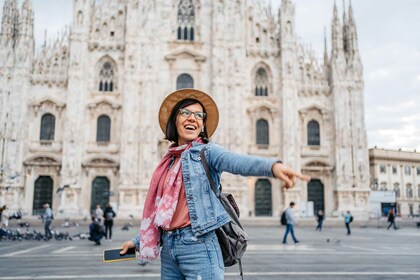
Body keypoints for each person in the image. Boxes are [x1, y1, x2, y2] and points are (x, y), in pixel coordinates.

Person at [120, 89, 310, 279]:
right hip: (170, 249)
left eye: (198, 115)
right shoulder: (168, 162)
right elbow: (165, 214)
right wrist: (137, 242)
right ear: (174, 120)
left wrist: (272, 167)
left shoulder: (207, 152)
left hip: (199, 246)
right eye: (185, 113)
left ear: (202, 125)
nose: (192, 118)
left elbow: (236, 161)